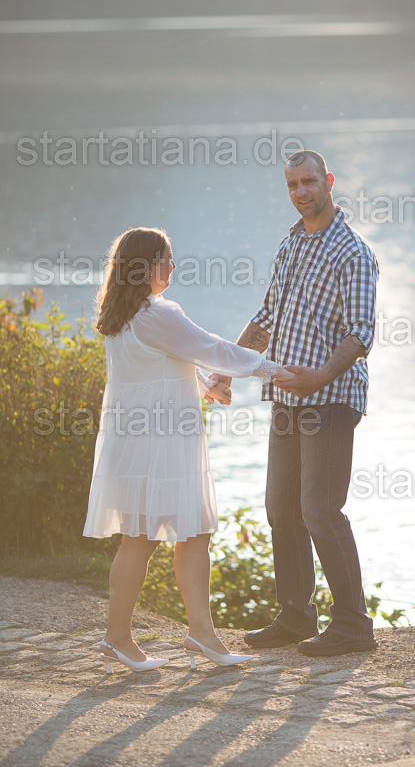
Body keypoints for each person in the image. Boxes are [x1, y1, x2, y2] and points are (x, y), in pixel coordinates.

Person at [83, 226, 292, 673]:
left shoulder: (122, 314)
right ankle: (154, 636)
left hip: (136, 440)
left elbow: (164, 362)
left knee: (152, 536)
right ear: (145, 267)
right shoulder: (159, 313)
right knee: (175, 533)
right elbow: (207, 347)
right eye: (167, 258)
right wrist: (272, 370)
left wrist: (204, 386)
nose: (173, 266)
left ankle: (163, 635)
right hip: (162, 441)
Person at [207, 150, 379, 656]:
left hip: (332, 397)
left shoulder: (353, 251)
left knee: (320, 510)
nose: (301, 192)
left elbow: (361, 332)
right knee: (281, 509)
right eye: (292, 185)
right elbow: (267, 317)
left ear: (329, 181)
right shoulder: (291, 244)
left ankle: (353, 625)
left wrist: (320, 376)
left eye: (309, 182)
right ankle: (296, 616)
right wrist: (228, 367)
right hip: (286, 393)